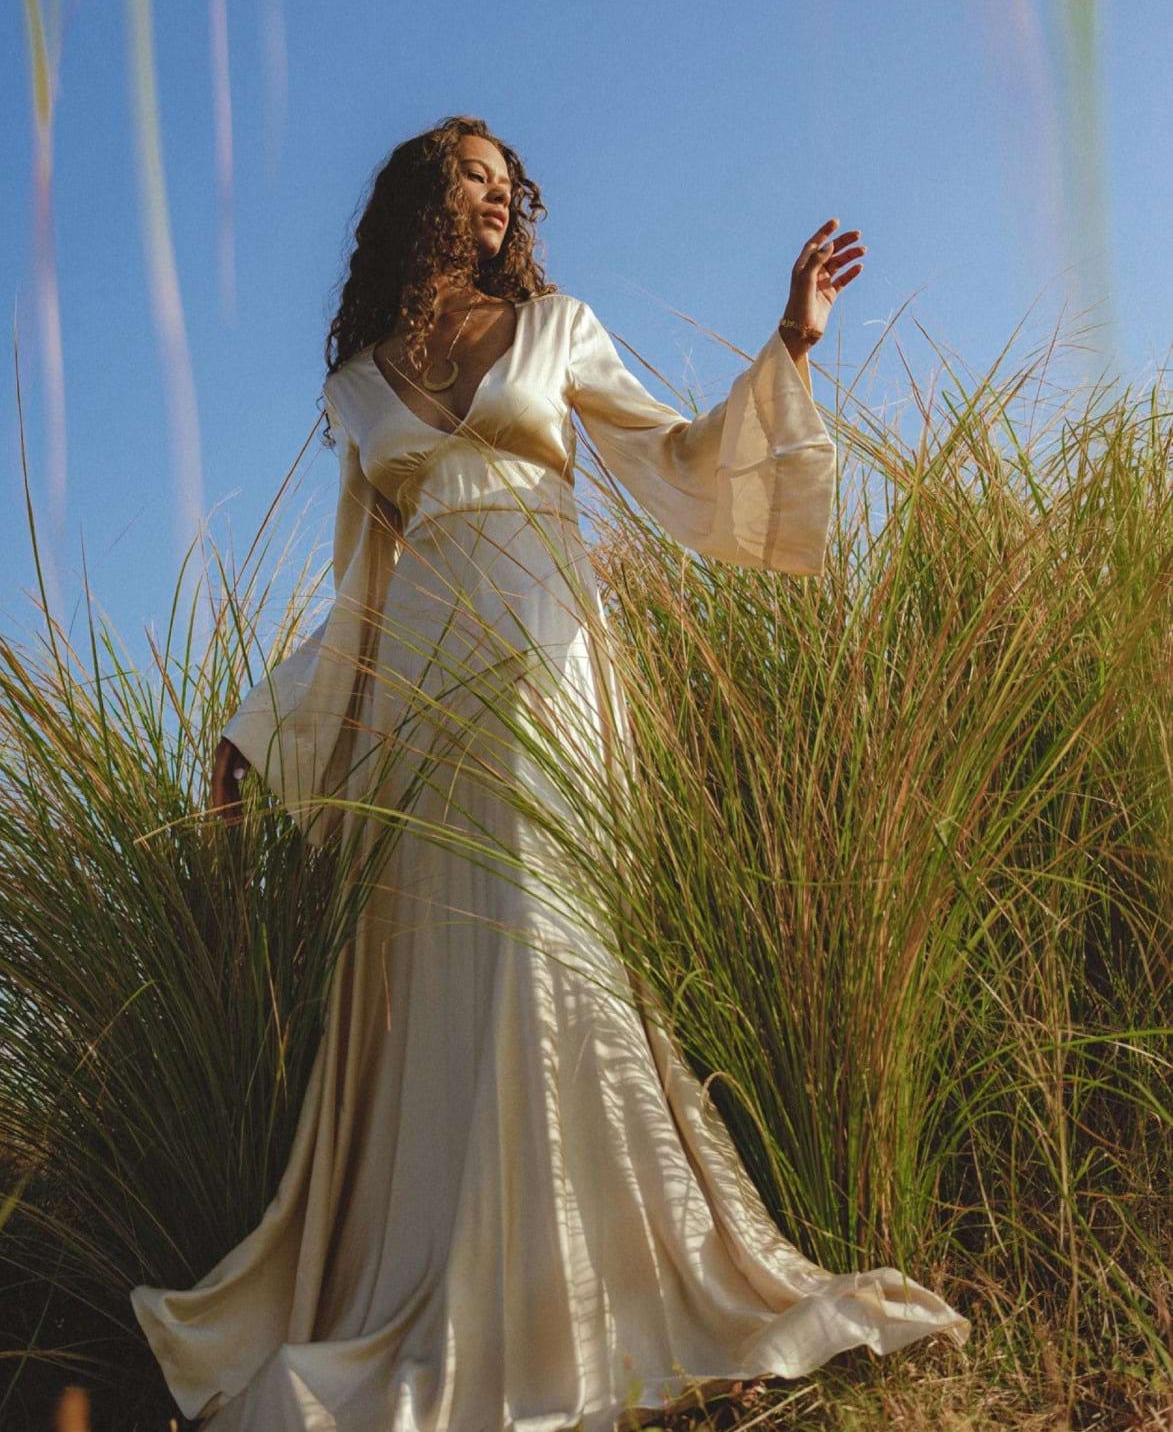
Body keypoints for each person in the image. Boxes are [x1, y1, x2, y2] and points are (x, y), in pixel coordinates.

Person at [131, 115, 969, 1431]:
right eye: (467, 176)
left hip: (545, 655)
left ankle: (599, 1292)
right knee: (438, 958)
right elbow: (359, 595)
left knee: (551, 937)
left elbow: (680, 462)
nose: (491, 196)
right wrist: (256, 727)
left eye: (502, 183)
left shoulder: (555, 326)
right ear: (422, 195)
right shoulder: (360, 378)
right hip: (420, 690)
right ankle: (434, 1282)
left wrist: (793, 341)